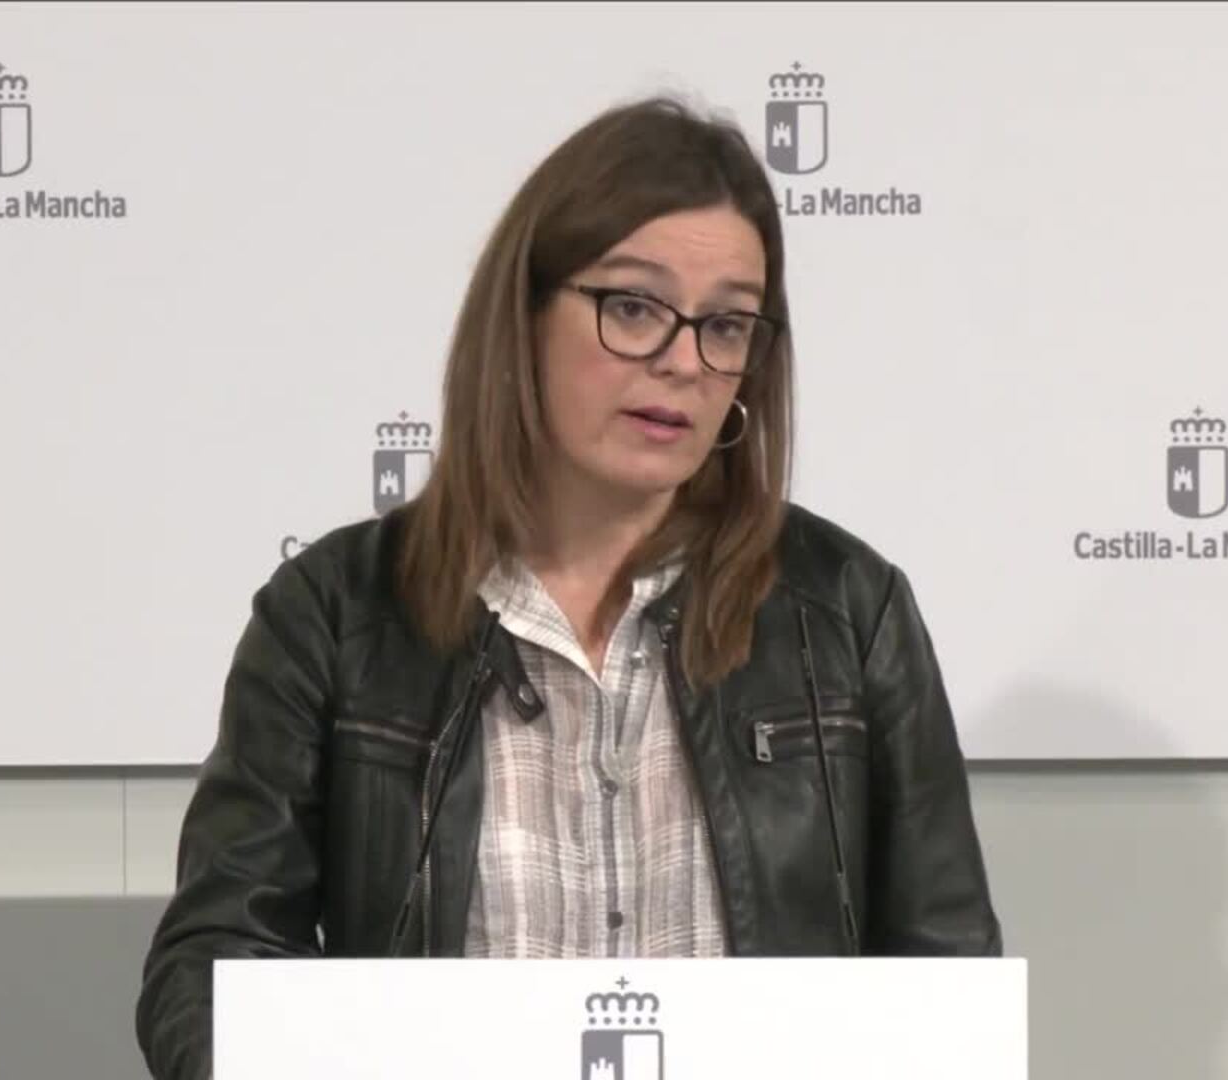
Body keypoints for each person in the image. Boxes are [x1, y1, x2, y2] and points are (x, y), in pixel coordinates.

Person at [135, 95, 1001, 1080]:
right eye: (633, 308)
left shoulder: (845, 613)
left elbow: (949, 987)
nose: (684, 361)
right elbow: (211, 975)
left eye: (726, 325)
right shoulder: (333, 614)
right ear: (524, 319)